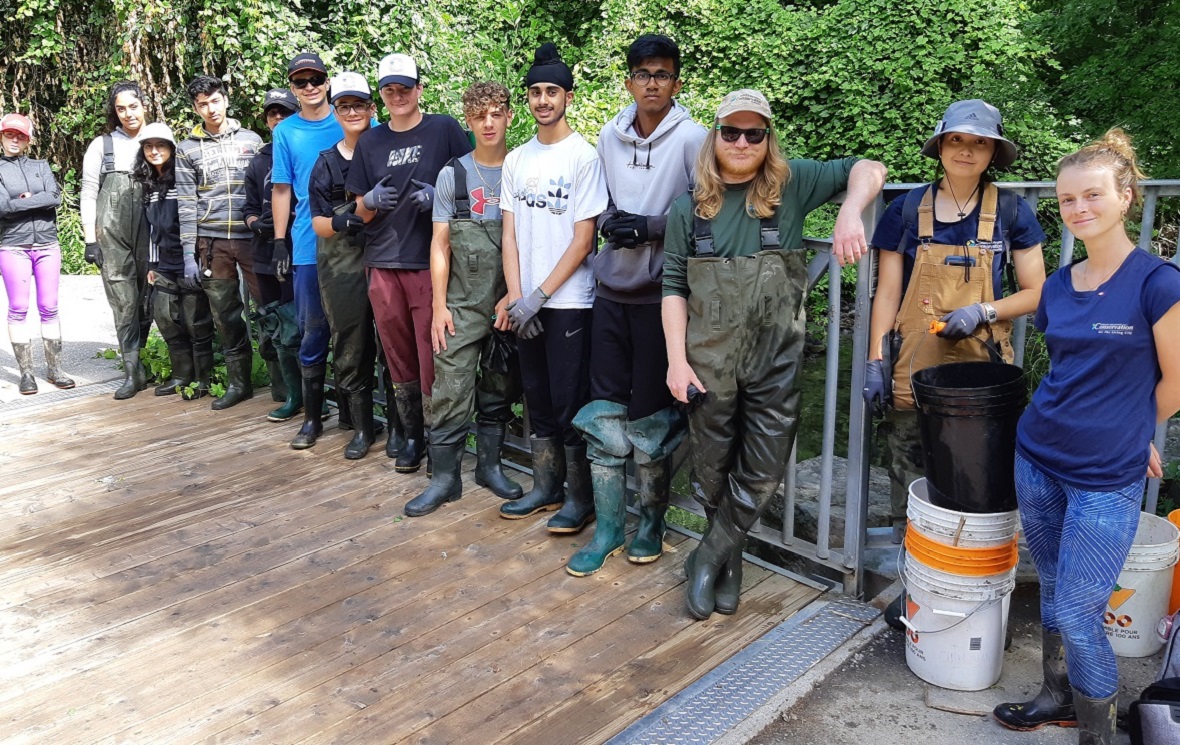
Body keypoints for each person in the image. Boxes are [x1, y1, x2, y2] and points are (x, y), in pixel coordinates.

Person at [663, 89, 886, 620]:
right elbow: (673, 285)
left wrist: (851, 212)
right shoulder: (686, 208)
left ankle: (708, 555)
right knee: (711, 469)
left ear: (768, 139)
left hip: (777, 362)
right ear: (714, 137)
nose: (742, 142)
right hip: (706, 362)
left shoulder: (793, 185)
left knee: (764, 470)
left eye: (754, 133)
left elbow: (870, 167)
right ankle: (731, 562)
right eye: (731, 132)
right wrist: (676, 360)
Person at [993, 129, 1180, 745]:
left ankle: (1097, 734)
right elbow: (1072, 370)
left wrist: (1134, 430)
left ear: (1126, 196)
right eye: (1068, 200)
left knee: (1080, 609)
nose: (1078, 210)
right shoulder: (1057, 285)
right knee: (1052, 584)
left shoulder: (1158, 282)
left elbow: (1176, 381)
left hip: (1106, 475)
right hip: (1038, 455)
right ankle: (1057, 694)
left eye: (1092, 196)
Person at [863, 100, 1047, 549]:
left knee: (981, 472)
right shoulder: (905, 211)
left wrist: (983, 311)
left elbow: (1038, 291)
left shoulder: (1011, 212)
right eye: (957, 140)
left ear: (993, 153)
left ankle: (973, 563)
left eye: (980, 143)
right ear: (941, 146)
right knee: (908, 467)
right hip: (914, 366)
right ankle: (914, 567)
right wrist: (875, 360)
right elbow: (887, 292)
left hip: (981, 372)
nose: (967, 150)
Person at [567, 35, 707, 576]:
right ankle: (607, 528)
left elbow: (710, 210)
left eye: (663, 74)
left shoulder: (695, 138)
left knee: (651, 414)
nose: (653, 83)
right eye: (643, 73)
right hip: (610, 289)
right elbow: (595, 202)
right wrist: (610, 222)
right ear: (628, 80)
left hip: (660, 294)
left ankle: (649, 523)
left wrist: (651, 226)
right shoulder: (609, 134)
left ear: (676, 82)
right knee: (604, 411)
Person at [498, 43, 609, 531]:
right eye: (535, 92)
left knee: (569, 401)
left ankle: (578, 499)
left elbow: (585, 239)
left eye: (552, 91)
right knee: (536, 395)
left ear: (568, 95)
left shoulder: (584, 157)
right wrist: (518, 296)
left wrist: (540, 295)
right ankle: (544, 487)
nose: (543, 100)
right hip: (526, 303)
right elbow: (509, 232)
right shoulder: (516, 160)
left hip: (569, 302)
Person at [347, 53, 472, 473]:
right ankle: (412, 434)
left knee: (430, 350)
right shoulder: (371, 142)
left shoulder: (445, 129)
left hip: (429, 260)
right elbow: (357, 210)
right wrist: (369, 202)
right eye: (389, 90)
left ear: (419, 89)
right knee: (397, 354)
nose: (398, 95)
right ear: (381, 97)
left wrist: (439, 196)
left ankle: (442, 440)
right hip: (382, 259)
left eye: (405, 87)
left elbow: (474, 188)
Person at [405, 81, 524, 516]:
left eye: (496, 113)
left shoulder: (523, 167)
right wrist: (439, 306)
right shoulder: (452, 174)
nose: (488, 123)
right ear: (468, 121)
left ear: (509, 115)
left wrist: (515, 294)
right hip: (460, 301)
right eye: (478, 116)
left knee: (499, 384)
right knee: (450, 386)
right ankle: (444, 480)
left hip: (508, 300)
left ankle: (489, 468)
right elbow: (440, 245)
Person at [271, 53, 355, 450]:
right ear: (292, 87)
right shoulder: (285, 132)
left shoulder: (352, 118)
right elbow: (282, 188)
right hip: (308, 244)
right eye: (300, 81)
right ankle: (311, 417)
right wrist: (278, 239)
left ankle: (357, 415)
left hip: (357, 244)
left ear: (326, 82)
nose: (309, 87)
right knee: (313, 331)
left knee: (358, 331)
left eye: (316, 79)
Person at [175, 75, 263, 411]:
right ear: (195, 108)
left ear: (225, 100)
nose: (210, 108)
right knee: (226, 316)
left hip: (253, 240)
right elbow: (185, 202)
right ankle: (239, 383)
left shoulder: (252, 141)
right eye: (202, 104)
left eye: (215, 100)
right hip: (212, 243)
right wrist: (188, 253)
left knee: (267, 310)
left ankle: (283, 386)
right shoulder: (187, 149)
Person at [307, 72, 382, 459]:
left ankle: (405, 431)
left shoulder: (387, 148)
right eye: (343, 106)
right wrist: (339, 221)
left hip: (388, 260)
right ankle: (361, 428)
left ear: (373, 108)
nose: (352, 112)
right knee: (350, 344)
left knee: (392, 346)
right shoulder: (325, 164)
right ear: (335, 111)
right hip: (341, 265)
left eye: (359, 104)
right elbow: (317, 224)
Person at [132, 123, 215, 399]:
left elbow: (195, 219)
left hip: (190, 258)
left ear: (171, 148)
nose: (154, 151)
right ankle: (182, 375)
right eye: (148, 146)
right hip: (164, 261)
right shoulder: (147, 184)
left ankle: (204, 378)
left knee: (196, 320)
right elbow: (152, 229)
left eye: (161, 146)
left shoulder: (183, 178)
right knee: (165, 316)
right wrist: (153, 266)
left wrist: (196, 258)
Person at [80, 81, 152, 399]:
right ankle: (132, 372)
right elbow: (87, 192)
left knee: (149, 299)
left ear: (144, 105)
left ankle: (141, 361)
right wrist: (89, 239)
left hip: (152, 227)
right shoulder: (102, 145)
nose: (127, 114)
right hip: (110, 231)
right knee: (124, 301)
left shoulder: (159, 139)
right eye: (120, 109)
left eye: (132, 106)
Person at [0, 113, 74, 394]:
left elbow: (54, 197)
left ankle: (55, 369)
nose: (14, 139)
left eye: (20, 135)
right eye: (9, 134)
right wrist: (35, 200)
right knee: (18, 309)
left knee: (49, 307)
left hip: (47, 245)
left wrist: (19, 200)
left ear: (28, 139)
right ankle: (26, 374)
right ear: (2, 137)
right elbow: (2, 207)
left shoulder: (40, 166)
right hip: (13, 246)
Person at [243, 88, 301, 422]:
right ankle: (290, 393)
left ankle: (314, 395)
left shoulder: (305, 148)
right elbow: (248, 205)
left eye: (284, 112)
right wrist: (256, 224)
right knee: (274, 324)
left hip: (299, 251)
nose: (278, 118)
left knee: (302, 324)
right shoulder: (260, 159)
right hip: (264, 253)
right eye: (272, 114)